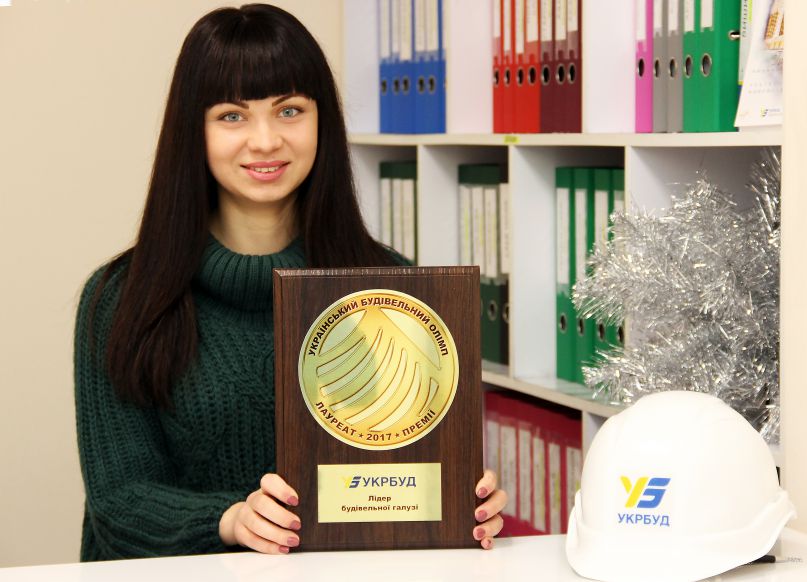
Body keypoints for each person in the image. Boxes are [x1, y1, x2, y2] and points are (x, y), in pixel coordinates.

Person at [74, 3, 506, 561]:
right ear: (192, 132)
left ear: (322, 120)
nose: (265, 141)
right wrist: (232, 520)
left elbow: (410, 466)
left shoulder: (396, 288)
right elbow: (118, 502)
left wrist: (460, 498)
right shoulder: (120, 298)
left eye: (289, 110)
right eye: (232, 116)